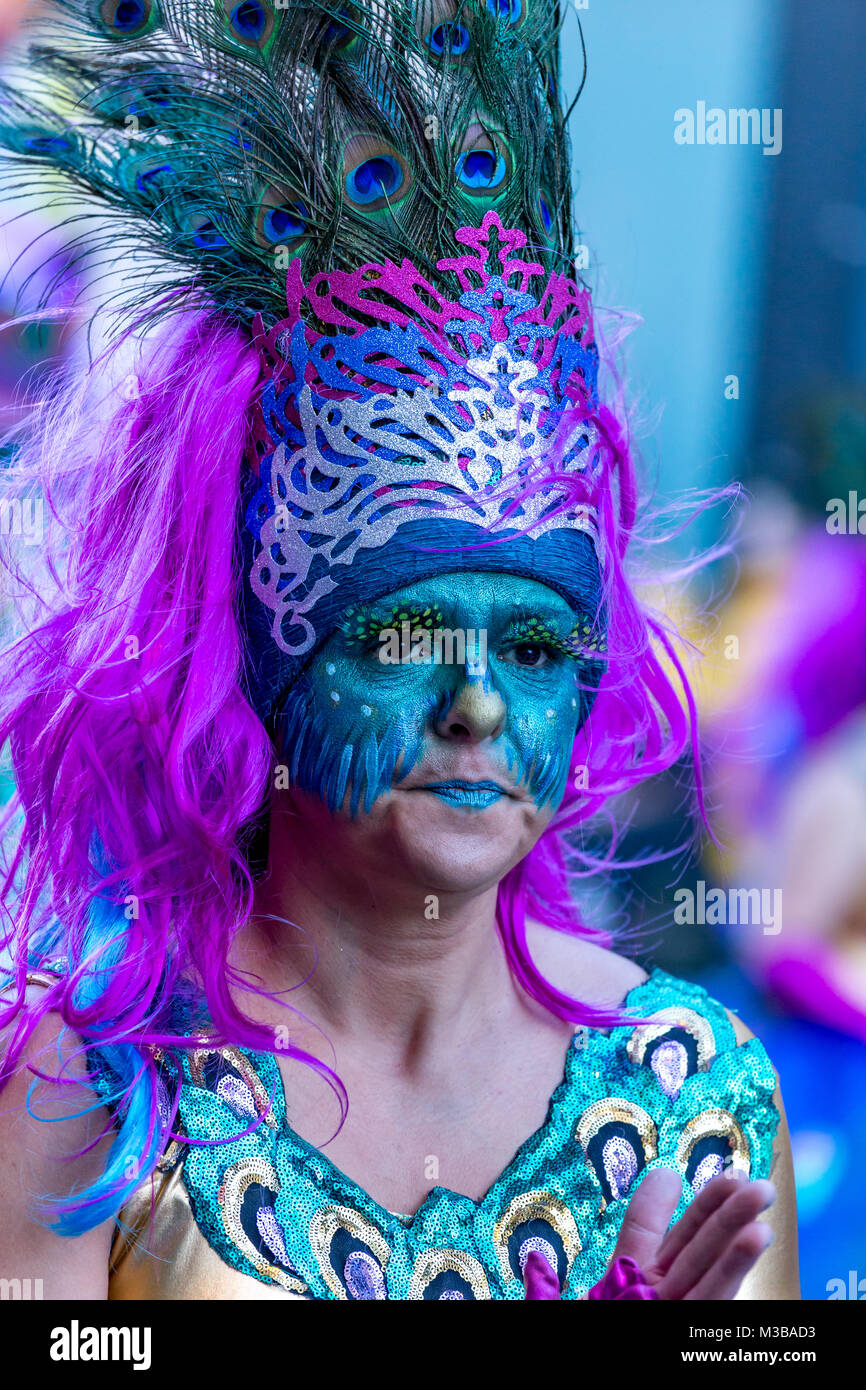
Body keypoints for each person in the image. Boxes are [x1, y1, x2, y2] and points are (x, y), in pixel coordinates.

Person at [0, 0, 797, 1300]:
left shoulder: (691, 1097)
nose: (478, 705)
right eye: (405, 633)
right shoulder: (90, 1086)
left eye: (536, 646)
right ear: (256, 651)